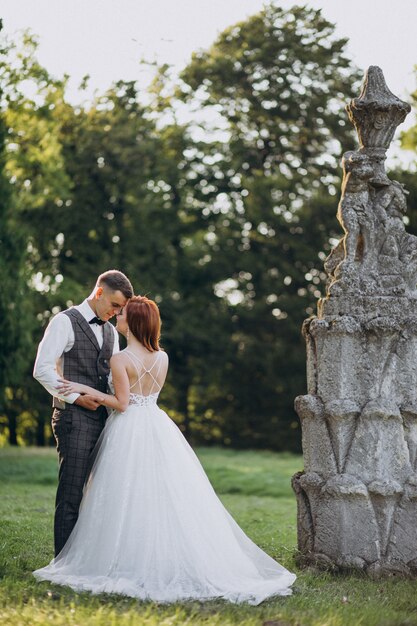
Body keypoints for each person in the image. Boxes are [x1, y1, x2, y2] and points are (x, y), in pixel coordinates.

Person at [33, 296, 296, 604]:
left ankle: (120, 556)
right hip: (157, 425)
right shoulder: (163, 358)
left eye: (123, 314)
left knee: (122, 494)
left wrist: (87, 390)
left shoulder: (120, 359)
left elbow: (121, 403)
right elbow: (144, 395)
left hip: (128, 428)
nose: (117, 316)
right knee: (161, 493)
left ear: (132, 322)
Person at [33, 270, 133, 556]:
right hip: (72, 419)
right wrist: (77, 398)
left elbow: (113, 378)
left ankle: (87, 559)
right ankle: (62, 562)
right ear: (99, 292)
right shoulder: (64, 321)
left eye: (120, 309)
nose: (116, 313)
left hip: (106, 421)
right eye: (114, 305)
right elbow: (42, 370)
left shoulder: (112, 332)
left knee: (99, 495)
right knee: (72, 492)